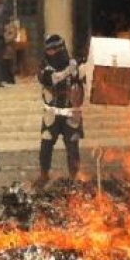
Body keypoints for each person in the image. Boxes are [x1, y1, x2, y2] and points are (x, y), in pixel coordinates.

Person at [37, 33, 84, 183]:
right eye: (48, 50)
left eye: (53, 50)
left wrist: (81, 70)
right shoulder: (45, 65)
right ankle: (44, 175)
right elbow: (50, 79)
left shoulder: (74, 63)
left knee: (72, 145)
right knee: (46, 142)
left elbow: (84, 79)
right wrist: (68, 71)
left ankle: (74, 178)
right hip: (52, 112)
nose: (50, 53)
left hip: (71, 113)